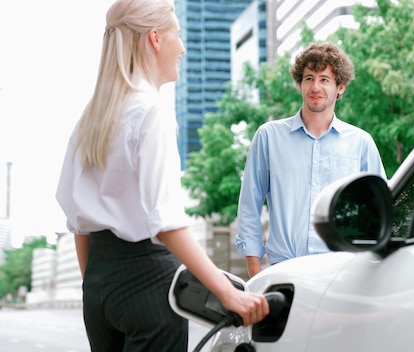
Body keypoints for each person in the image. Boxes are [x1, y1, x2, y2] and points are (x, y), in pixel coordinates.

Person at [55, 1, 268, 350]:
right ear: (155, 38)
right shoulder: (150, 111)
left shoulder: (88, 120)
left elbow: (79, 225)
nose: (182, 47)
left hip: (98, 289)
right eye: (178, 36)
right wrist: (227, 292)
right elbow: (166, 222)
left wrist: (96, 288)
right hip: (147, 284)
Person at [235, 42, 386, 278]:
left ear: (341, 87)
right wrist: (255, 269)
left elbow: (378, 211)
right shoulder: (268, 136)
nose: (316, 87)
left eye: (325, 79)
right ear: (299, 84)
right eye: (309, 78)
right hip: (283, 271)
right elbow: (249, 205)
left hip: (342, 273)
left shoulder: (361, 143)